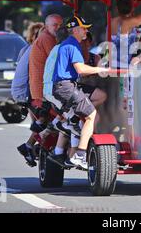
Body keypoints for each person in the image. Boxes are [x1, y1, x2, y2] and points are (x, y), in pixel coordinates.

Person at [52, 16, 110, 170]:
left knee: (98, 98)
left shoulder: (69, 44)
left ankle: (74, 123)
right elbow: (81, 70)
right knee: (91, 115)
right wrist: (102, 69)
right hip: (66, 86)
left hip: (66, 86)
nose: (86, 31)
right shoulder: (73, 46)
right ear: (75, 30)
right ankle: (80, 154)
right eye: (84, 28)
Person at [17, 14, 63, 165]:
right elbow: (57, 60)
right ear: (46, 25)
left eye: (59, 25)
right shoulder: (47, 39)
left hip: (38, 89)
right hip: (42, 90)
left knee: (46, 118)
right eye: (55, 25)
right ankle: (39, 144)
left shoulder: (42, 38)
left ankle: (30, 145)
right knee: (63, 115)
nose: (58, 27)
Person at [110, 0, 141, 68]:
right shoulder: (128, 23)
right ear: (132, 8)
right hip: (123, 66)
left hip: (112, 64)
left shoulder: (111, 22)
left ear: (117, 8)